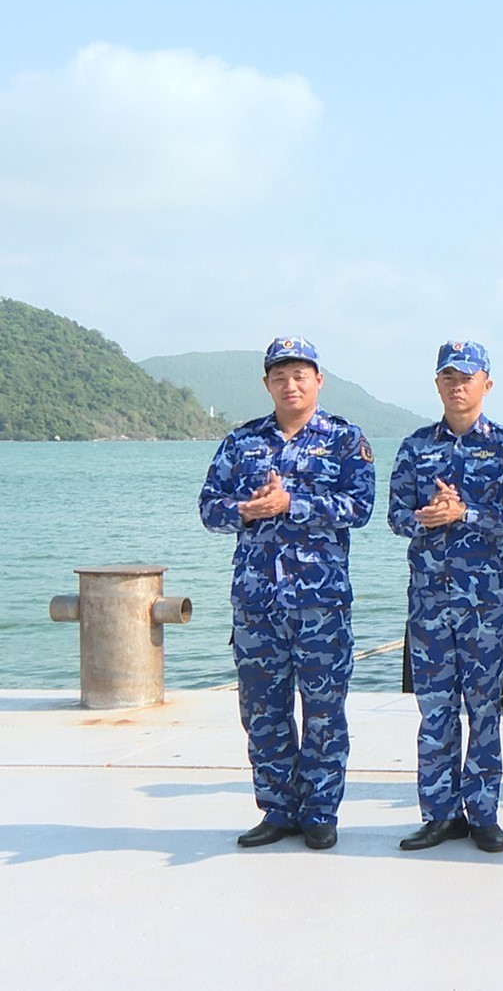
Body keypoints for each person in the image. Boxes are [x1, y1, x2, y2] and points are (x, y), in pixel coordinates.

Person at [199, 336, 375, 851]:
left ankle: (319, 812)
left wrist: (291, 503)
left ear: (318, 380)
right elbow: (208, 507)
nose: (290, 385)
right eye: (280, 376)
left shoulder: (344, 439)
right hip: (257, 604)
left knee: (324, 712)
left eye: (299, 375)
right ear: (267, 384)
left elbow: (359, 507)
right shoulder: (241, 442)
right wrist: (245, 511)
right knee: (263, 713)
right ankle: (277, 810)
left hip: (320, 604)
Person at [388, 340, 503, 854]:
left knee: (484, 710)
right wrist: (425, 517)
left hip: (483, 605)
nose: (457, 386)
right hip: (429, 603)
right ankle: (440, 815)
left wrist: (465, 513)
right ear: (437, 384)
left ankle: (484, 813)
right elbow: (395, 516)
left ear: (486, 384)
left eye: (466, 377)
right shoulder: (414, 448)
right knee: (435, 712)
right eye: (448, 377)